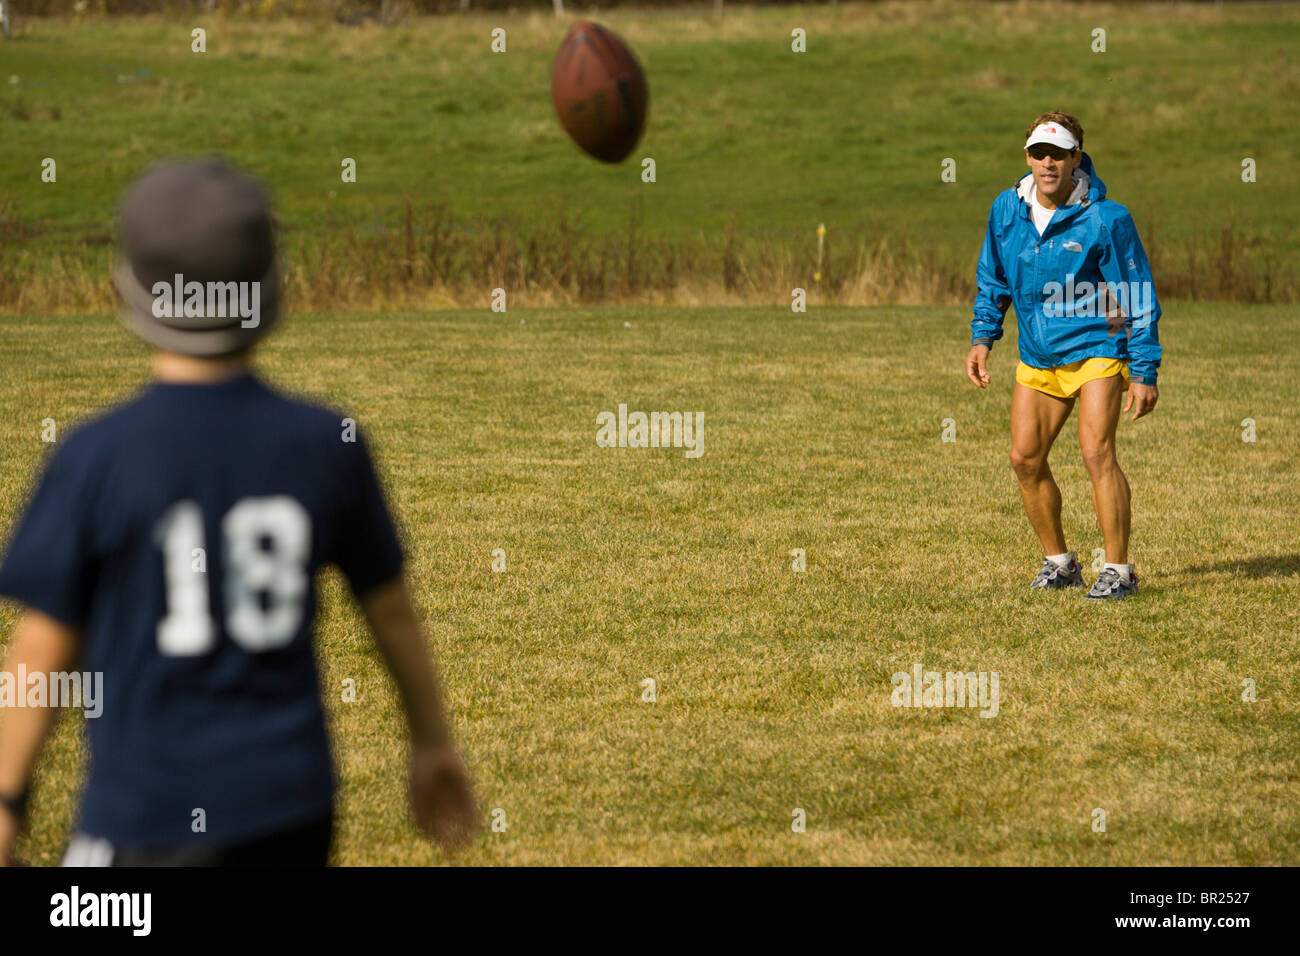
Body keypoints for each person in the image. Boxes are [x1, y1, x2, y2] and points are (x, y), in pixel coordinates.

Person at [0, 158, 477, 865]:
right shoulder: (326, 443)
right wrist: (432, 740)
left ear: (128, 292)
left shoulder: (94, 455)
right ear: (273, 290)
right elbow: (393, 610)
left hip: (145, 810)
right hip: (290, 808)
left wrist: (9, 796)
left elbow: (44, 648)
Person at [966, 111, 1162, 599]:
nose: (1047, 162)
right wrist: (982, 338)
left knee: (1097, 452)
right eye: (1038, 152)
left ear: (1077, 157)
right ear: (1027, 156)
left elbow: (1136, 293)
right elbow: (993, 280)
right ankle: (1060, 562)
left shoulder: (1107, 218)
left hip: (1098, 345)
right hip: (1038, 353)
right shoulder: (1005, 211)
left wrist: (1143, 368)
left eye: (1058, 153)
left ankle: (1118, 570)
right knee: (1025, 458)